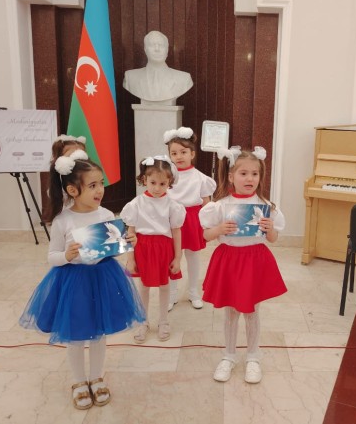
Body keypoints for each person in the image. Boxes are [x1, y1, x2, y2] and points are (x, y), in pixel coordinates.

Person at [19, 150, 146, 410]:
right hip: (74, 283)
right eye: (92, 185)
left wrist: (127, 243)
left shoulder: (106, 215)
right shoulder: (62, 221)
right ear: (73, 190)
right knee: (76, 335)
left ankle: (96, 377)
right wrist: (66, 255)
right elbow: (52, 257)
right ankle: (78, 381)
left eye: (101, 183)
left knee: (99, 334)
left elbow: (112, 250)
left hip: (103, 279)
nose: (100, 190)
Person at [199, 146, 287, 384]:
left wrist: (269, 229)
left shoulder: (266, 205)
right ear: (231, 176)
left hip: (254, 261)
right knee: (231, 311)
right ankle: (228, 356)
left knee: (252, 311)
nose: (250, 179)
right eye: (244, 173)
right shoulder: (220, 205)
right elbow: (206, 235)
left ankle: (253, 357)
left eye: (254, 174)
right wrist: (219, 229)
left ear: (260, 176)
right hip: (229, 260)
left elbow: (273, 239)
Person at [120, 156, 186, 343]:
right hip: (143, 248)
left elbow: (176, 232)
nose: (157, 188)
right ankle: (143, 321)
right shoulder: (136, 204)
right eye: (153, 183)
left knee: (165, 285)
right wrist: (131, 258)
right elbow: (130, 232)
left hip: (164, 249)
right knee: (144, 286)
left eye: (163, 184)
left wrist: (178, 257)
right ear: (144, 180)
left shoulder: (172, 206)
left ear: (169, 183)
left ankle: (164, 321)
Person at [164, 126, 216, 311]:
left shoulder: (201, 178)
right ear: (170, 156)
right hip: (171, 221)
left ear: (192, 154)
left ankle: (194, 292)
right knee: (172, 257)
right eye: (174, 153)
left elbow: (207, 204)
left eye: (183, 152)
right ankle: (171, 294)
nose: (179, 156)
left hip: (193, 219)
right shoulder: (167, 177)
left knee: (193, 256)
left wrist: (208, 226)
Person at [123, 30, 193, 104]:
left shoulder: (184, 79)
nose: (157, 49)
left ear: (167, 50)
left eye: (161, 45)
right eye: (152, 45)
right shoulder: (130, 77)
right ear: (145, 49)